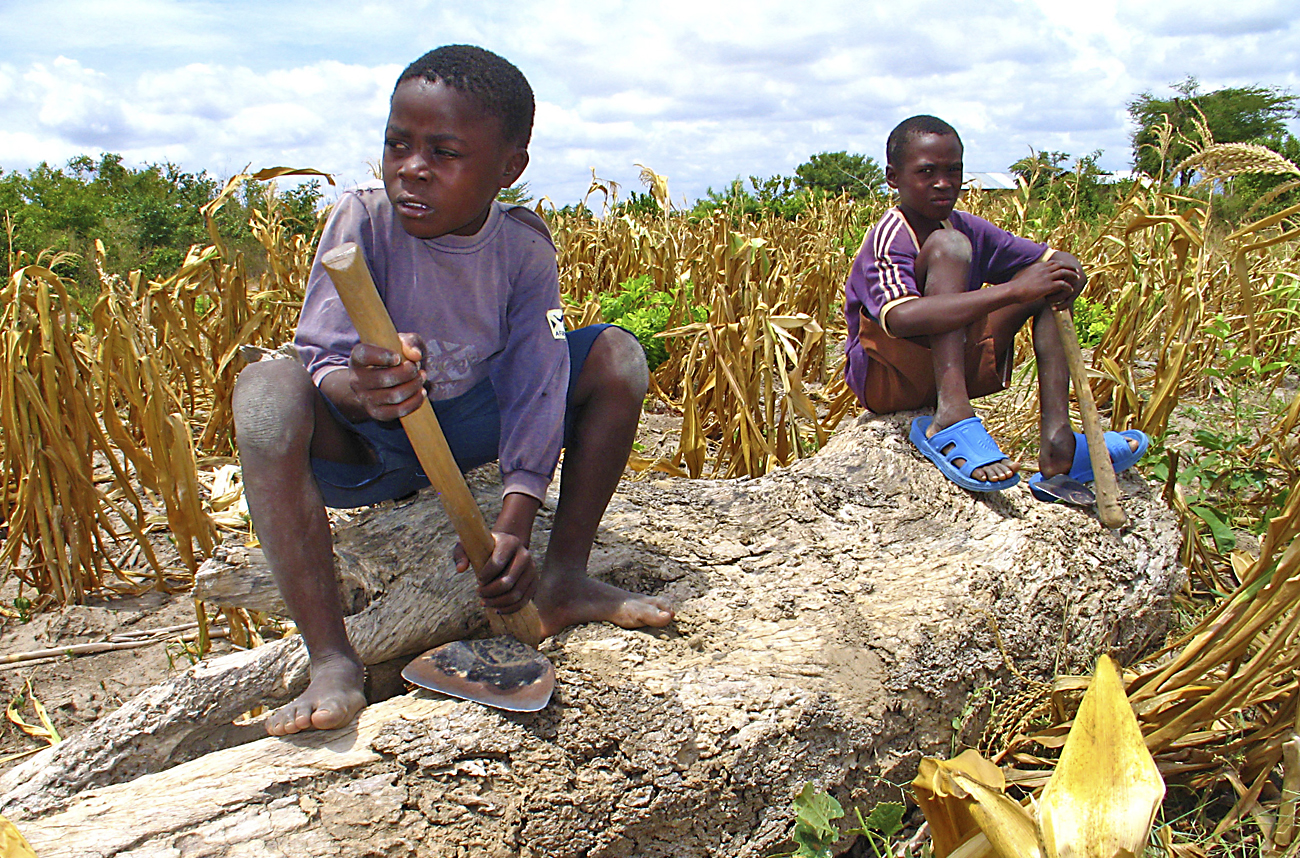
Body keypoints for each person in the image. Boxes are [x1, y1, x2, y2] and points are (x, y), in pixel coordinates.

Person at [233, 45, 674, 736]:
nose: (412, 166)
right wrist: (363, 387)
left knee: (617, 356)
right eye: (398, 144)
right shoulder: (362, 221)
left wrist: (515, 524)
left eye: (443, 152)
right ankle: (332, 660)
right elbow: (319, 357)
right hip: (368, 444)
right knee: (264, 393)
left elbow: (538, 379)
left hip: (470, 429)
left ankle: (564, 580)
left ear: (508, 169)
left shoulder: (523, 249)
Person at [843, 115, 1147, 495]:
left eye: (954, 171)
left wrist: (1067, 272)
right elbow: (901, 317)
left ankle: (1058, 444)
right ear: (893, 178)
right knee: (951, 250)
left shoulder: (967, 225)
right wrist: (1010, 292)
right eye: (927, 172)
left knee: (1047, 283)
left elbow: (1054, 261)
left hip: (955, 366)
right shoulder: (891, 234)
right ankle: (951, 417)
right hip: (890, 380)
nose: (943, 183)